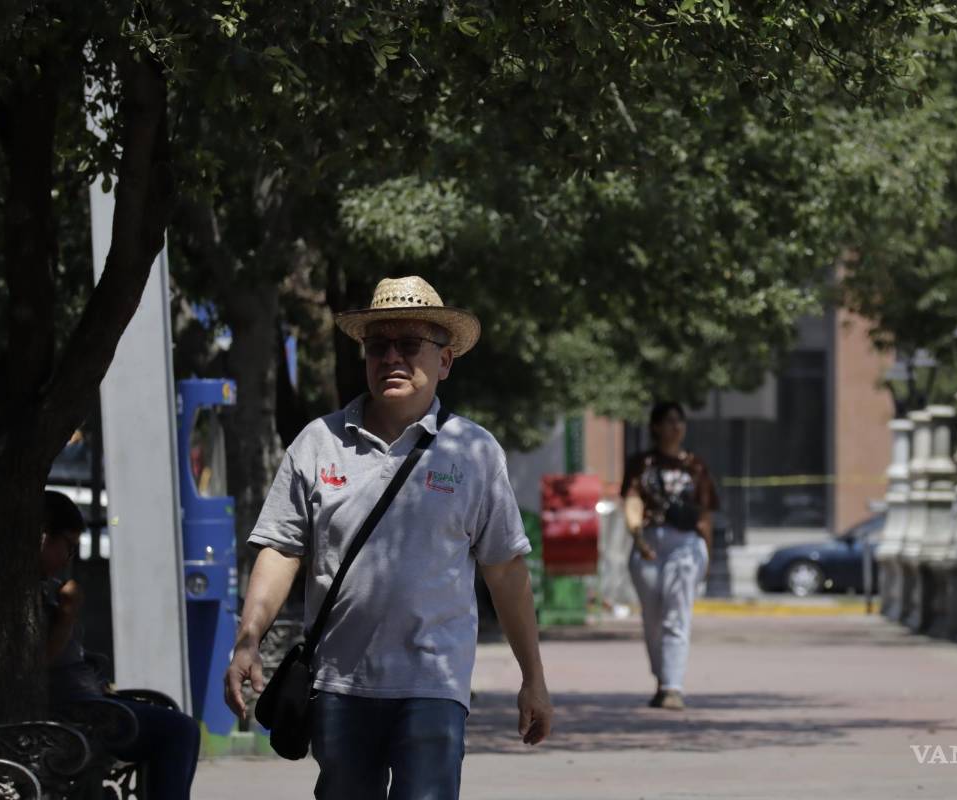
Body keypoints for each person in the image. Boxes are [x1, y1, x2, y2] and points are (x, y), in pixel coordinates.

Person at [224, 275, 552, 800]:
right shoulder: (318, 443)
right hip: (338, 686)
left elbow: (505, 570)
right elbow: (282, 548)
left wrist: (532, 677)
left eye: (409, 345)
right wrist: (248, 639)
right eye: (378, 346)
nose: (392, 357)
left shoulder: (475, 452)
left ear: (444, 361)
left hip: (434, 684)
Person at [40, 490, 200, 799]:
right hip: (72, 715)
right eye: (67, 548)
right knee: (178, 731)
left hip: (89, 704)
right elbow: (37, 665)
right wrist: (67, 614)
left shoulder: (50, 588)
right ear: (44, 534)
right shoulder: (31, 599)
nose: (67, 560)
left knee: (180, 728)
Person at [622, 401, 719, 711]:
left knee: (676, 614)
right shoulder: (642, 463)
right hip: (649, 542)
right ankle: (662, 679)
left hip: (685, 544)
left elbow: (705, 514)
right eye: (668, 421)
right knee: (652, 619)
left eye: (680, 420)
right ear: (655, 427)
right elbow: (633, 500)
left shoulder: (696, 466)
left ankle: (673, 687)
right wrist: (637, 538)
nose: (676, 426)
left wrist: (708, 553)